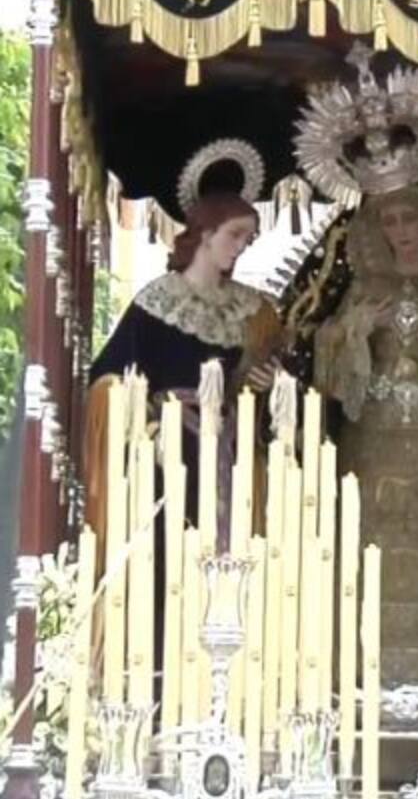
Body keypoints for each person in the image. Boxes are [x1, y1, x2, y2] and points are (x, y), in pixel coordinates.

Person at [313, 183, 418, 688]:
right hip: (373, 439)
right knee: (375, 536)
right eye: (389, 223)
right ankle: (364, 652)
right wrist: (353, 335)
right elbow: (327, 373)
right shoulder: (362, 291)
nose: (401, 232)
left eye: (409, 220)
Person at [86, 192, 282, 548]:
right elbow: (110, 376)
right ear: (206, 233)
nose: (241, 247)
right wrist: (145, 421)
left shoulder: (254, 311)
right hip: (172, 451)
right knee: (172, 548)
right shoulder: (158, 301)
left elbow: (266, 389)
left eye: (248, 239)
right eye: (234, 234)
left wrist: (265, 385)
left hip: (232, 448)